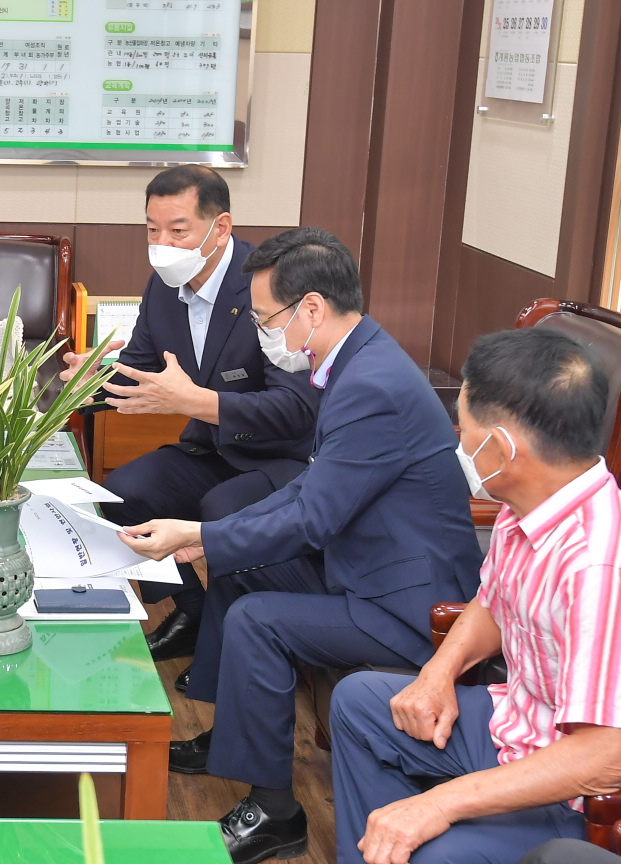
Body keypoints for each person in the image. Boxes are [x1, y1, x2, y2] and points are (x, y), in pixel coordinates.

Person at [119, 227, 482, 864]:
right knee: (241, 566)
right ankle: (231, 737)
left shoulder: (371, 385)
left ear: (311, 308)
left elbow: (313, 518)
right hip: (363, 567)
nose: (264, 333)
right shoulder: (356, 360)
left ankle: (276, 813)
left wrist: (205, 535)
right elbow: (313, 487)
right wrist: (210, 539)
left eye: (266, 319)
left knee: (258, 617)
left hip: (407, 604)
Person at [332, 328, 621, 864]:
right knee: (358, 704)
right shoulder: (529, 501)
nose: (458, 444)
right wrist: (437, 673)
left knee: (435, 850)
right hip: (513, 725)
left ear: (502, 448)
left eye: (463, 430)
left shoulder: (598, 565)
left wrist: (439, 804)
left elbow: (605, 754)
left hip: (570, 795)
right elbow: (493, 602)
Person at [61, 166, 319, 673]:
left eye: (177, 230)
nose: (162, 245)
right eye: (151, 230)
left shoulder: (269, 286)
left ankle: (230, 653)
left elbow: (295, 408)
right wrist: (91, 380)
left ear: (220, 228)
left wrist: (194, 402)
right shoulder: (163, 287)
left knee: (222, 507)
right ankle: (193, 613)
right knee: (125, 492)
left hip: (282, 458)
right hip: (212, 448)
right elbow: (141, 370)